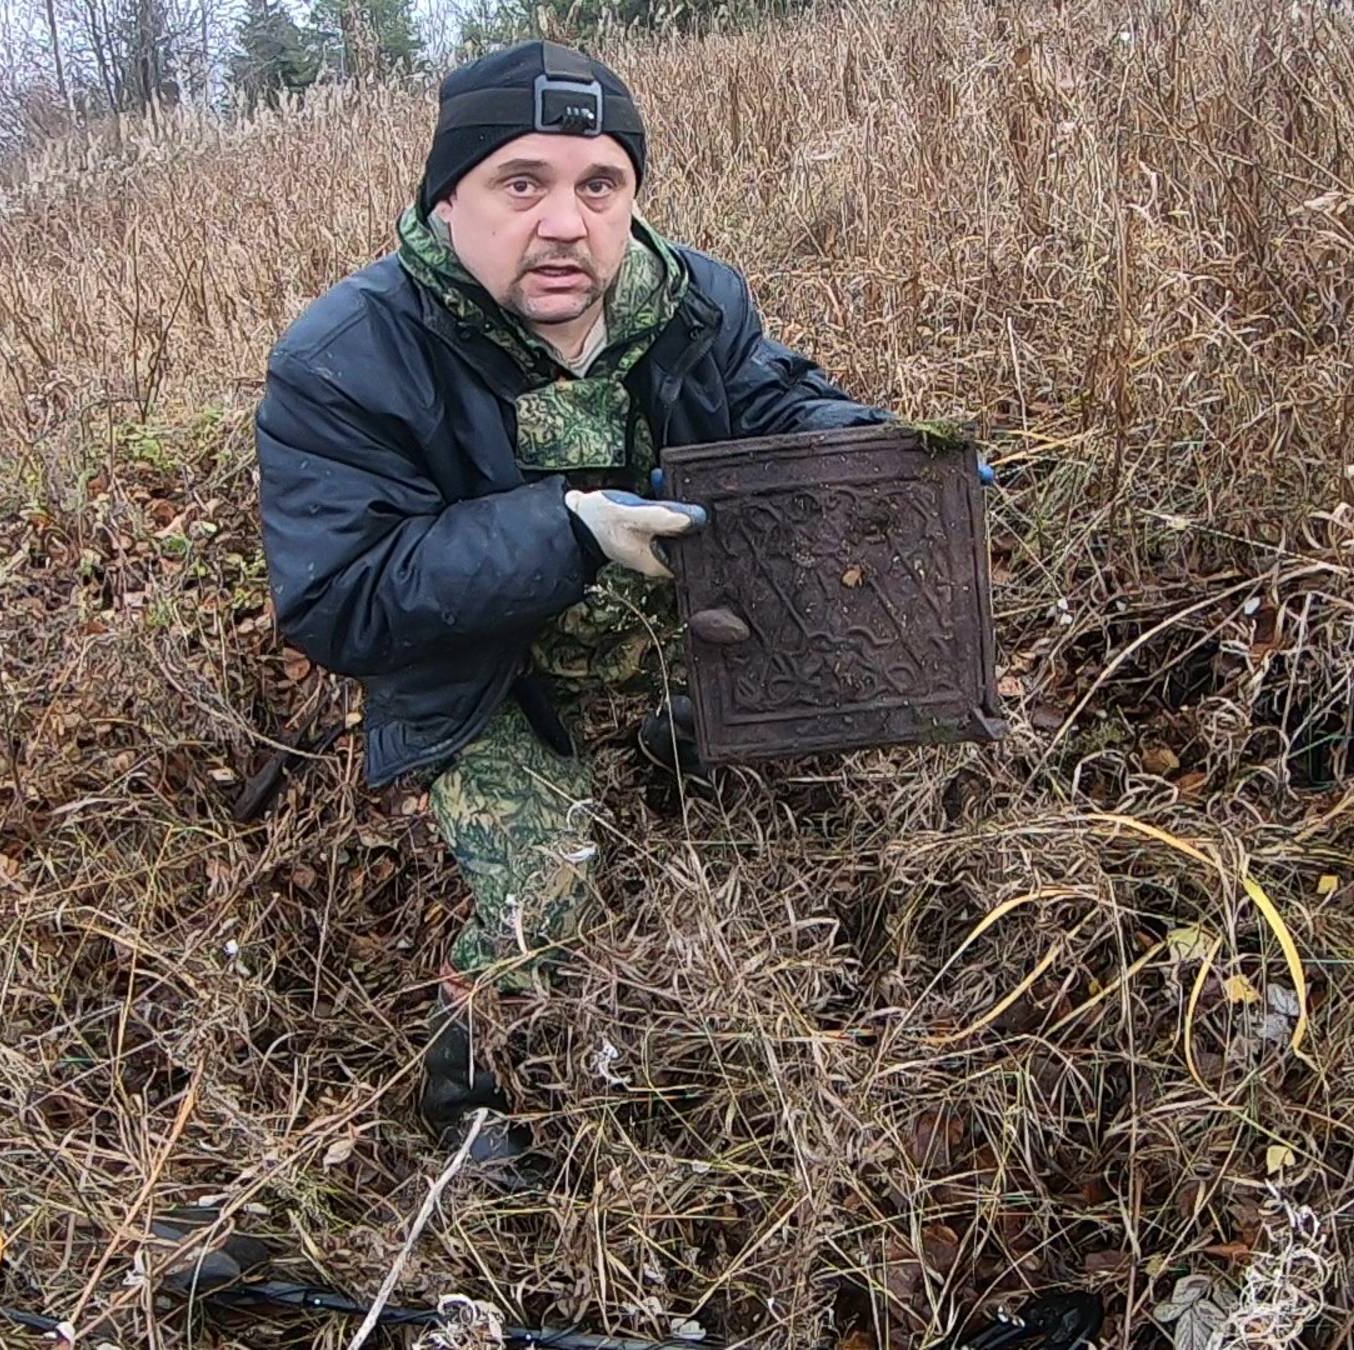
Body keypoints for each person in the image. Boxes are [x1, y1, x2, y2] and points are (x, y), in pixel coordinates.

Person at [254, 39, 890, 1180]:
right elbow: (339, 597)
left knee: (818, 721)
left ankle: (667, 733)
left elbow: (774, 404)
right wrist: (570, 530)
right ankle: (472, 1103)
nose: (565, 223)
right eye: (521, 183)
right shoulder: (346, 358)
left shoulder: (689, 300)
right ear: (448, 198)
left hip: (667, 624)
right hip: (486, 674)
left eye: (601, 185)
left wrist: (881, 456)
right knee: (545, 885)